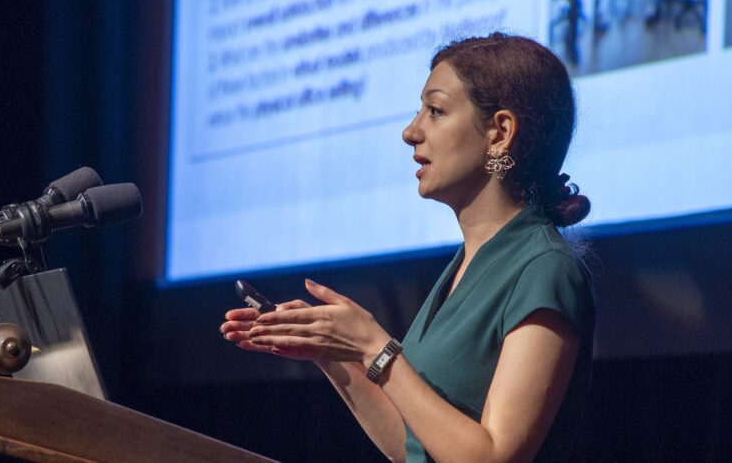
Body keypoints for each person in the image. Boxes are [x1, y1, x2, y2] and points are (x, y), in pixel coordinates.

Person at [221, 33, 595, 462]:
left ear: (500, 133)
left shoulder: (544, 268)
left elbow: (494, 456)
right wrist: (330, 350)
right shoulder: (466, 266)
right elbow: (413, 447)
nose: (410, 132)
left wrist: (373, 347)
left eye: (435, 111)